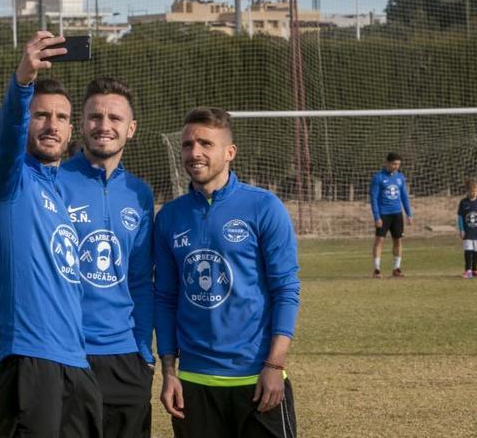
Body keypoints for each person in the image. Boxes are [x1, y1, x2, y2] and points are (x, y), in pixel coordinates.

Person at [0, 31, 101, 437]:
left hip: (76, 362)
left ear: (71, 129)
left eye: (62, 118)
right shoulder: (9, 183)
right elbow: (8, 136)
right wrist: (23, 82)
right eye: (41, 115)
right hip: (27, 356)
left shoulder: (61, 190)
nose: (52, 126)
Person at [155, 107, 300, 437]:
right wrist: (169, 371)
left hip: (256, 379)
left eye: (206, 144)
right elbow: (164, 298)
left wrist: (275, 365)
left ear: (230, 152)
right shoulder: (169, 217)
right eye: (188, 144)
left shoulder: (263, 207)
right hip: (193, 383)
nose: (195, 153)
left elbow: (286, 290)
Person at [57, 77, 154, 437]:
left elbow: (142, 281)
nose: (104, 126)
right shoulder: (54, 181)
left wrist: (144, 352)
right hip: (67, 353)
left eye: (115, 118)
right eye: (95, 116)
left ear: (131, 129)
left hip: (126, 356)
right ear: (80, 124)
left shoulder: (140, 194)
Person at [369, 152, 413, 278]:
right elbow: (374, 199)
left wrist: (409, 213)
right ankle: (377, 269)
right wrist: (377, 216)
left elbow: (404, 196)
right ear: (387, 163)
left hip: (397, 214)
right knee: (380, 240)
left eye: (398, 164)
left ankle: (396, 268)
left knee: (398, 240)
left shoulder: (400, 177)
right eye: (394, 164)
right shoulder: (378, 178)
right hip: (383, 214)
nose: (396, 166)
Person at [458, 179, 477, 279]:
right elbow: (460, 217)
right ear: (467, 191)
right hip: (467, 232)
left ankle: (475, 269)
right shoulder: (463, 202)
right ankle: (468, 270)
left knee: (476, 251)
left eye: (476, 191)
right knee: (468, 251)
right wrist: (461, 229)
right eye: (472, 191)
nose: (474, 193)